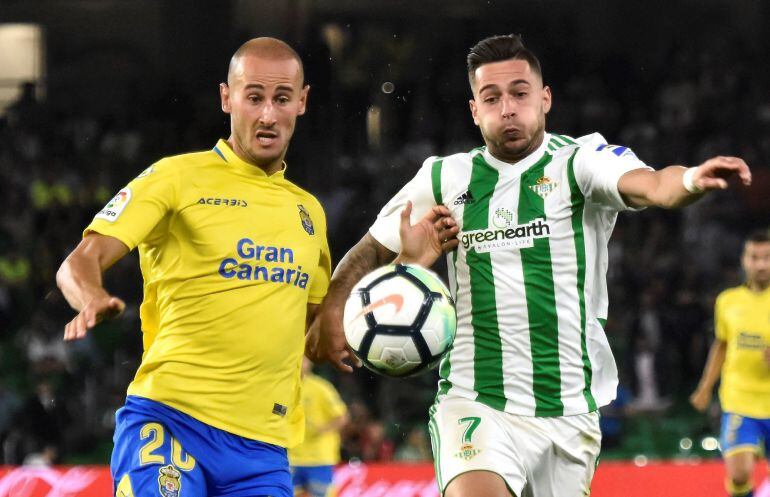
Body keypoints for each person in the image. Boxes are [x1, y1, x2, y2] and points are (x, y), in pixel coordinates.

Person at [307, 34, 752, 497]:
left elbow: (653, 184)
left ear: (545, 99)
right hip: (475, 400)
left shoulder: (580, 161)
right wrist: (333, 307)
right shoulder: (444, 177)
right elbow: (371, 247)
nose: (507, 109)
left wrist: (690, 179)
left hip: (569, 410)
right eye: (491, 98)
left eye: (520, 94)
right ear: (474, 110)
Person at [56, 37, 331, 497]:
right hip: (170, 422)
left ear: (301, 102)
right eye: (254, 97)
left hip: (262, 452)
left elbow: (317, 325)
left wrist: (402, 266)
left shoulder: (310, 213)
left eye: (282, 99)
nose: (268, 115)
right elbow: (78, 262)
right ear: (227, 97)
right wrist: (92, 296)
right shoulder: (176, 178)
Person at [690, 230, 770, 497]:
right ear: (744, 260)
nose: (761, 264)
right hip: (739, 399)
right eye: (755, 257)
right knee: (739, 474)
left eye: (767, 257)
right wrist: (705, 387)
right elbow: (721, 345)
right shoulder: (727, 301)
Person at [289, 358, 348, 497]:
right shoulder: (285, 387)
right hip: (291, 456)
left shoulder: (321, 387)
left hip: (319, 457)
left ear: (310, 363)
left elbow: (342, 417)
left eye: (304, 360)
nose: (300, 363)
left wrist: (323, 429)